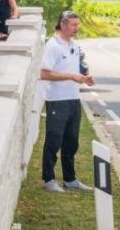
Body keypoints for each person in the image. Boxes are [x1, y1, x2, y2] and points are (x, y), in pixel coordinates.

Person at [39, 10, 96, 192]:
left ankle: (70, 179)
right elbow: (44, 73)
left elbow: (73, 69)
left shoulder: (74, 45)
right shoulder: (53, 46)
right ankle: (49, 179)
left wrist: (84, 77)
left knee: (72, 141)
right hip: (57, 100)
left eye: (78, 25)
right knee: (54, 141)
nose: (76, 28)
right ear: (63, 25)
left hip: (73, 99)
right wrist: (71, 76)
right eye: (73, 25)